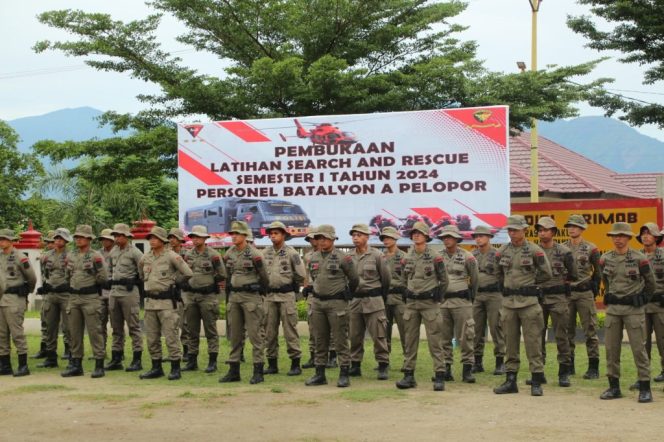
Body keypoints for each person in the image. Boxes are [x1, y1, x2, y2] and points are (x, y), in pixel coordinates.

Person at [493, 215, 552, 396]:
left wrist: (530, 286)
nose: (512, 233)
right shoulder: (502, 251)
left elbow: (546, 273)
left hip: (529, 304)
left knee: (533, 342)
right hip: (509, 304)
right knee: (510, 343)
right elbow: (498, 274)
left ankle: (536, 380)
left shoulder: (535, 250)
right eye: (509, 230)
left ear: (524, 230)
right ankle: (511, 380)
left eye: (515, 230)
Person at [599, 222, 656, 403]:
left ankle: (645, 387)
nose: (618, 239)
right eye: (615, 236)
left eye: (622, 235)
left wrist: (641, 299)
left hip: (634, 310)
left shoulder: (640, 259)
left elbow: (651, 283)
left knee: (639, 349)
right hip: (613, 311)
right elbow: (605, 281)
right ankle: (614, 387)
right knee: (611, 349)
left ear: (629, 238)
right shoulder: (605, 259)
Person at [395, 222, 448, 391]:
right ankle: (409, 375)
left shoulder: (435, 256)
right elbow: (403, 279)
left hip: (429, 304)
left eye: (420, 233)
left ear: (426, 236)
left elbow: (444, 280)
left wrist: (437, 296)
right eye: (414, 233)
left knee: (435, 341)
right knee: (410, 341)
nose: (416, 235)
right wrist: (406, 292)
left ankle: (439, 375)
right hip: (411, 304)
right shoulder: (406, 257)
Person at [304, 224, 358, 388]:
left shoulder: (343, 258)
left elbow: (354, 279)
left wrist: (347, 293)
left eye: (325, 238)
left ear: (333, 239)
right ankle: (320, 374)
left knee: (340, 339)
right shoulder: (313, 257)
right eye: (319, 238)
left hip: (337, 303)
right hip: (318, 302)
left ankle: (344, 373)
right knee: (320, 339)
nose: (322, 241)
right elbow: (313, 278)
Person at [139, 226, 193, 380]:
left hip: (167, 303)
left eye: (155, 238)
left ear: (162, 241)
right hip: (150, 303)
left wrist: (175, 282)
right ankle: (156, 367)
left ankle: (175, 368)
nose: (152, 240)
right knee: (151, 337)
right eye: (150, 238)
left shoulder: (171, 256)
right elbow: (141, 273)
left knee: (171, 336)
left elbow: (188, 273)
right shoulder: (145, 257)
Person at [220, 221, 269, 384]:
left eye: (236, 234)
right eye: (232, 234)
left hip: (251, 298)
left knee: (255, 335)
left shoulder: (255, 254)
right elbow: (227, 274)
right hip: (234, 298)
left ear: (245, 236)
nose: (233, 236)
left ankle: (258, 370)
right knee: (235, 335)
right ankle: (234, 370)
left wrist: (258, 290)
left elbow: (265, 277)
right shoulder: (229, 254)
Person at [534, 217, 577, 388]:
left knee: (561, 335)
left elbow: (573, 274)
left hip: (558, 298)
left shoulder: (564, 252)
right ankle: (539, 373)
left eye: (545, 229)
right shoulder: (533, 251)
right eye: (539, 230)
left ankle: (564, 373)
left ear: (553, 232)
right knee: (537, 336)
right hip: (538, 297)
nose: (542, 232)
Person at [61, 225, 108, 378]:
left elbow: (103, 277)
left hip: (90, 298)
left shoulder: (96, 256)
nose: (78, 239)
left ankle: (99, 364)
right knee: (74, 332)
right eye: (76, 237)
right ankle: (76, 364)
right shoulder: (70, 256)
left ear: (89, 239)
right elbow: (67, 276)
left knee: (95, 332)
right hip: (74, 298)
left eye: (81, 237)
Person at [348, 223, 391, 380]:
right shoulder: (349, 256)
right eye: (353, 235)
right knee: (354, 336)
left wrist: (379, 295)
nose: (355, 238)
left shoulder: (377, 255)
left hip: (374, 301)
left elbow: (386, 279)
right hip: (355, 301)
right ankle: (355, 365)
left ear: (367, 237)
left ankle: (383, 365)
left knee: (379, 336)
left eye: (359, 235)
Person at [263, 221, 306, 376]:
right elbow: (260, 272)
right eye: (271, 233)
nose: (273, 236)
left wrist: (291, 285)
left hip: (286, 296)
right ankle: (272, 364)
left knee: (290, 331)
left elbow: (301, 274)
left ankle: (295, 364)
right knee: (269, 332)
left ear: (283, 235)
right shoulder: (265, 253)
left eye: (276, 233)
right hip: (269, 297)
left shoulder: (291, 253)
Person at [182, 225, 226, 373]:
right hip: (191, 296)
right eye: (193, 237)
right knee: (191, 330)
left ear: (204, 238)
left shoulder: (213, 255)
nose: (194, 239)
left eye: (198, 237)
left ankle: (212, 361)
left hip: (207, 297)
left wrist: (209, 283)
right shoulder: (188, 255)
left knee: (210, 331)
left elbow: (222, 274)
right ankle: (192, 361)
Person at [437, 224, 478, 384]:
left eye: (449, 237)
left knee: (466, 336)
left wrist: (469, 299)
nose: (446, 239)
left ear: (456, 239)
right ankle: (446, 369)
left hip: (462, 302)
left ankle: (467, 369)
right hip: (443, 303)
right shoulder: (437, 256)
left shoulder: (468, 257)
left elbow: (475, 281)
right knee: (443, 337)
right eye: (444, 237)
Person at [563, 214, 601, 379]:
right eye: (569, 226)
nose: (571, 229)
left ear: (582, 228)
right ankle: (569, 365)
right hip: (568, 293)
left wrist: (593, 291)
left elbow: (598, 274)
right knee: (567, 330)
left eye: (575, 226)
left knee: (590, 330)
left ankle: (593, 367)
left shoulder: (592, 248)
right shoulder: (562, 248)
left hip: (585, 293)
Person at [105, 223, 144, 372]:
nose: (117, 237)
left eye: (120, 235)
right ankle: (116, 358)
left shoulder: (135, 252)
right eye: (115, 235)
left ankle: (137, 359)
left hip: (129, 293)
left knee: (134, 327)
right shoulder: (113, 251)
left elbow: (143, 272)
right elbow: (109, 269)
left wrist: (134, 281)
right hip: (114, 292)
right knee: (116, 328)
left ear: (127, 236)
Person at [0, 229, 37, 377]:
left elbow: (32, 278)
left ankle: (23, 366)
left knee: (17, 333)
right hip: (1, 299)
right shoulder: (1, 256)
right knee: (1, 334)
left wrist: (26, 291)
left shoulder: (20, 257)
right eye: (0, 239)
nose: (1, 241)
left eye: (4, 239)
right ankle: (5, 365)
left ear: (11, 241)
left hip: (15, 299)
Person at [471, 225, 505, 375]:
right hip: (477, 295)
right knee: (475, 329)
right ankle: (477, 362)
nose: (478, 238)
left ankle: (500, 362)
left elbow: (504, 274)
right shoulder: (472, 255)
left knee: (496, 327)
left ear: (489, 237)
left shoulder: (497, 254)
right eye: (476, 236)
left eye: (481, 235)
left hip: (494, 295)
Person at [36, 228, 72, 369]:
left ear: (66, 240)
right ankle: (51, 357)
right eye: (56, 238)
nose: (58, 240)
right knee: (50, 326)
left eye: (61, 238)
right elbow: (45, 274)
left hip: (66, 295)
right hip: (51, 295)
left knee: (69, 327)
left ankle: (71, 356)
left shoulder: (72, 255)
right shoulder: (46, 256)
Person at [637, 224, 664, 384]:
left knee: (663, 340)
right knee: (642, 342)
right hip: (642, 306)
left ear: (656, 237)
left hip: (661, 305)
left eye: (649, 234)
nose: (645, 236)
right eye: (643, 234)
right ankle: (643, 376)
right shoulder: (635, 256)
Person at [380, 226, 406, 365]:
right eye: (384, 238)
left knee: (404, 331)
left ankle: (407, 360)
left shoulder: (403, 257)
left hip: (399, 299)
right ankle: (384, 361)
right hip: (383, 299)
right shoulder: (380, 257)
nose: (386, 240)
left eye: (389, 237)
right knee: (383, 332)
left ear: (395, 238)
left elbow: (408, 277)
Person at [168, 228, 190, 362]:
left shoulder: (186, 254)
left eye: (174, 237)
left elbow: (188, 272)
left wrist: (179, 282)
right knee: (170, 323)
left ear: (180, 240)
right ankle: (174, 351)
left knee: (184, 322)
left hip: (183, 290)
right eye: (170, 237)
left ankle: (187, 350)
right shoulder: (166, 254)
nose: (172, 240)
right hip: (170, 291)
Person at [33, 230, 55, 359]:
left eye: (51, 242)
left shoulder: (64, 257)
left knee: (65, 324)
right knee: (44, 321)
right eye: (47, 242)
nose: (49, 244)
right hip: (47, 293)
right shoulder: (44, 256)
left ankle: (68, 350)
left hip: (61, 293)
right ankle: (44, 348)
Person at [97, 228, 115, 359]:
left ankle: (117, 352)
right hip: (100, 292)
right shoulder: (98, 254)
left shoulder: (117, 252)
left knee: (116, 324)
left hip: (114, 291)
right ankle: (101, 351)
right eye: (102, 239)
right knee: (99, 323)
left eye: (107, 239)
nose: (104, 241)